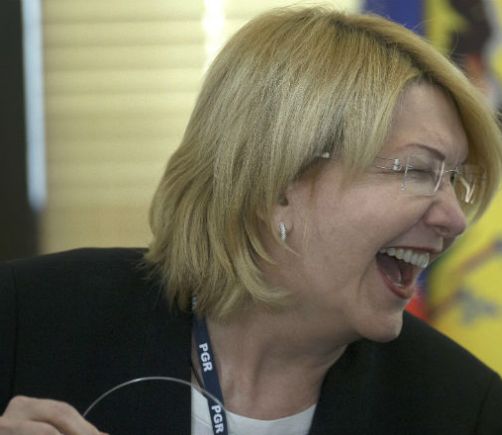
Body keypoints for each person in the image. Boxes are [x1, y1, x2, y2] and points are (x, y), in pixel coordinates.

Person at [1, 6, 502, 435]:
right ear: (279, 182)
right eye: (418, 171)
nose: (455, 219)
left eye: (456, 180)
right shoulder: (26, 320)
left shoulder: (464, 409)